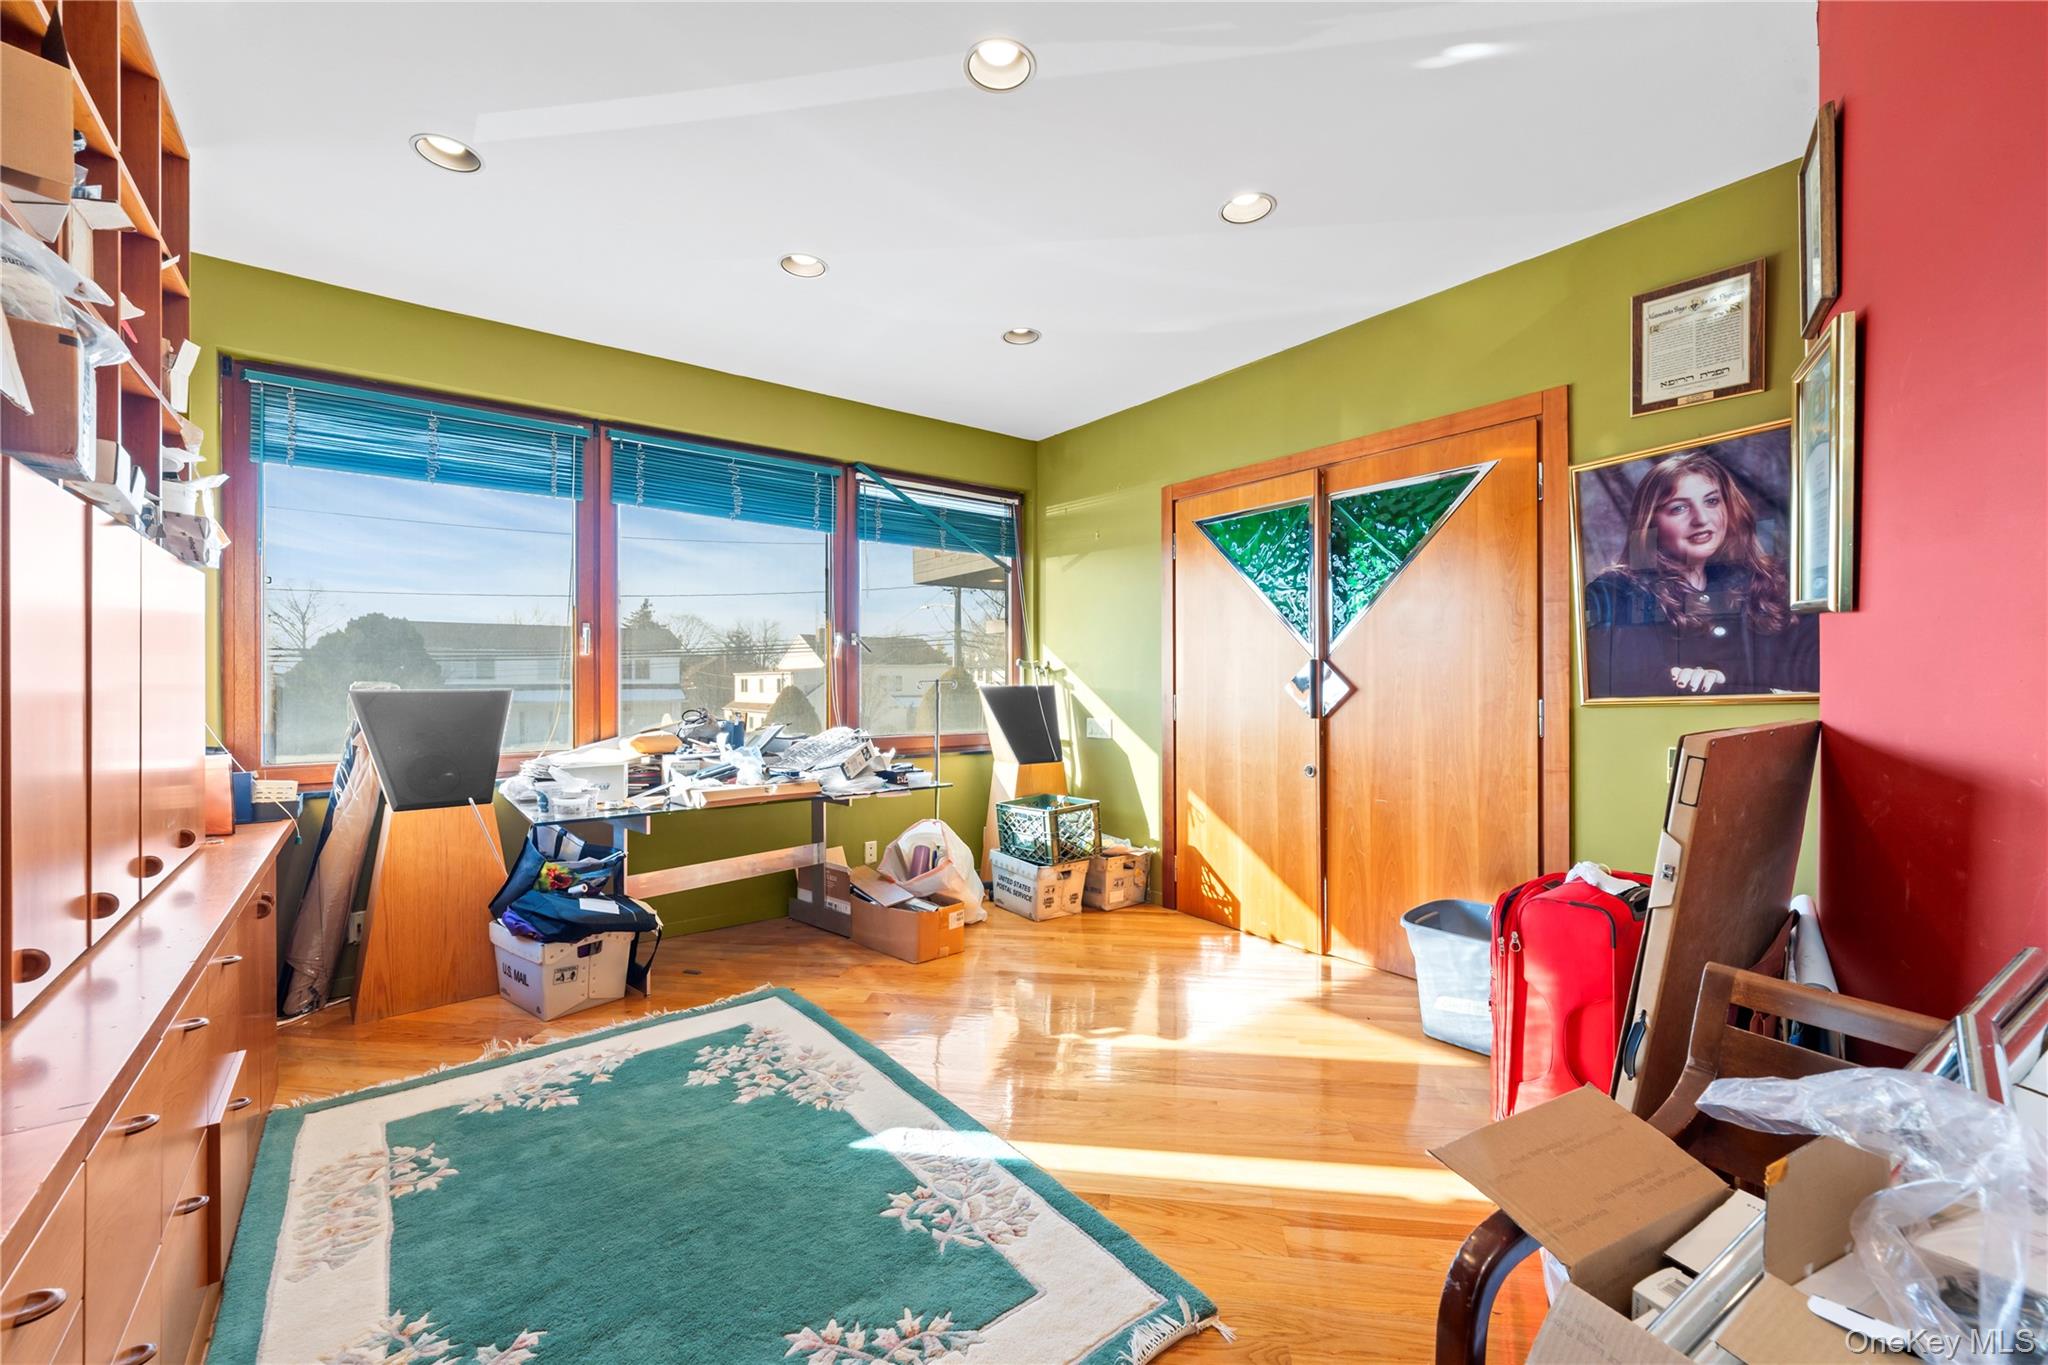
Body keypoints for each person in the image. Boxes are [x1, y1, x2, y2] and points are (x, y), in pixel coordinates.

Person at [1583, 449, 1818, 699]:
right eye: (1679, 508)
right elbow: (1637, 685)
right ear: (1650, 522)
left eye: (1712, 501)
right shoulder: (1618, 592)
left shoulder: (1755, 582)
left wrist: (1723, 680)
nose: (1702, 519)